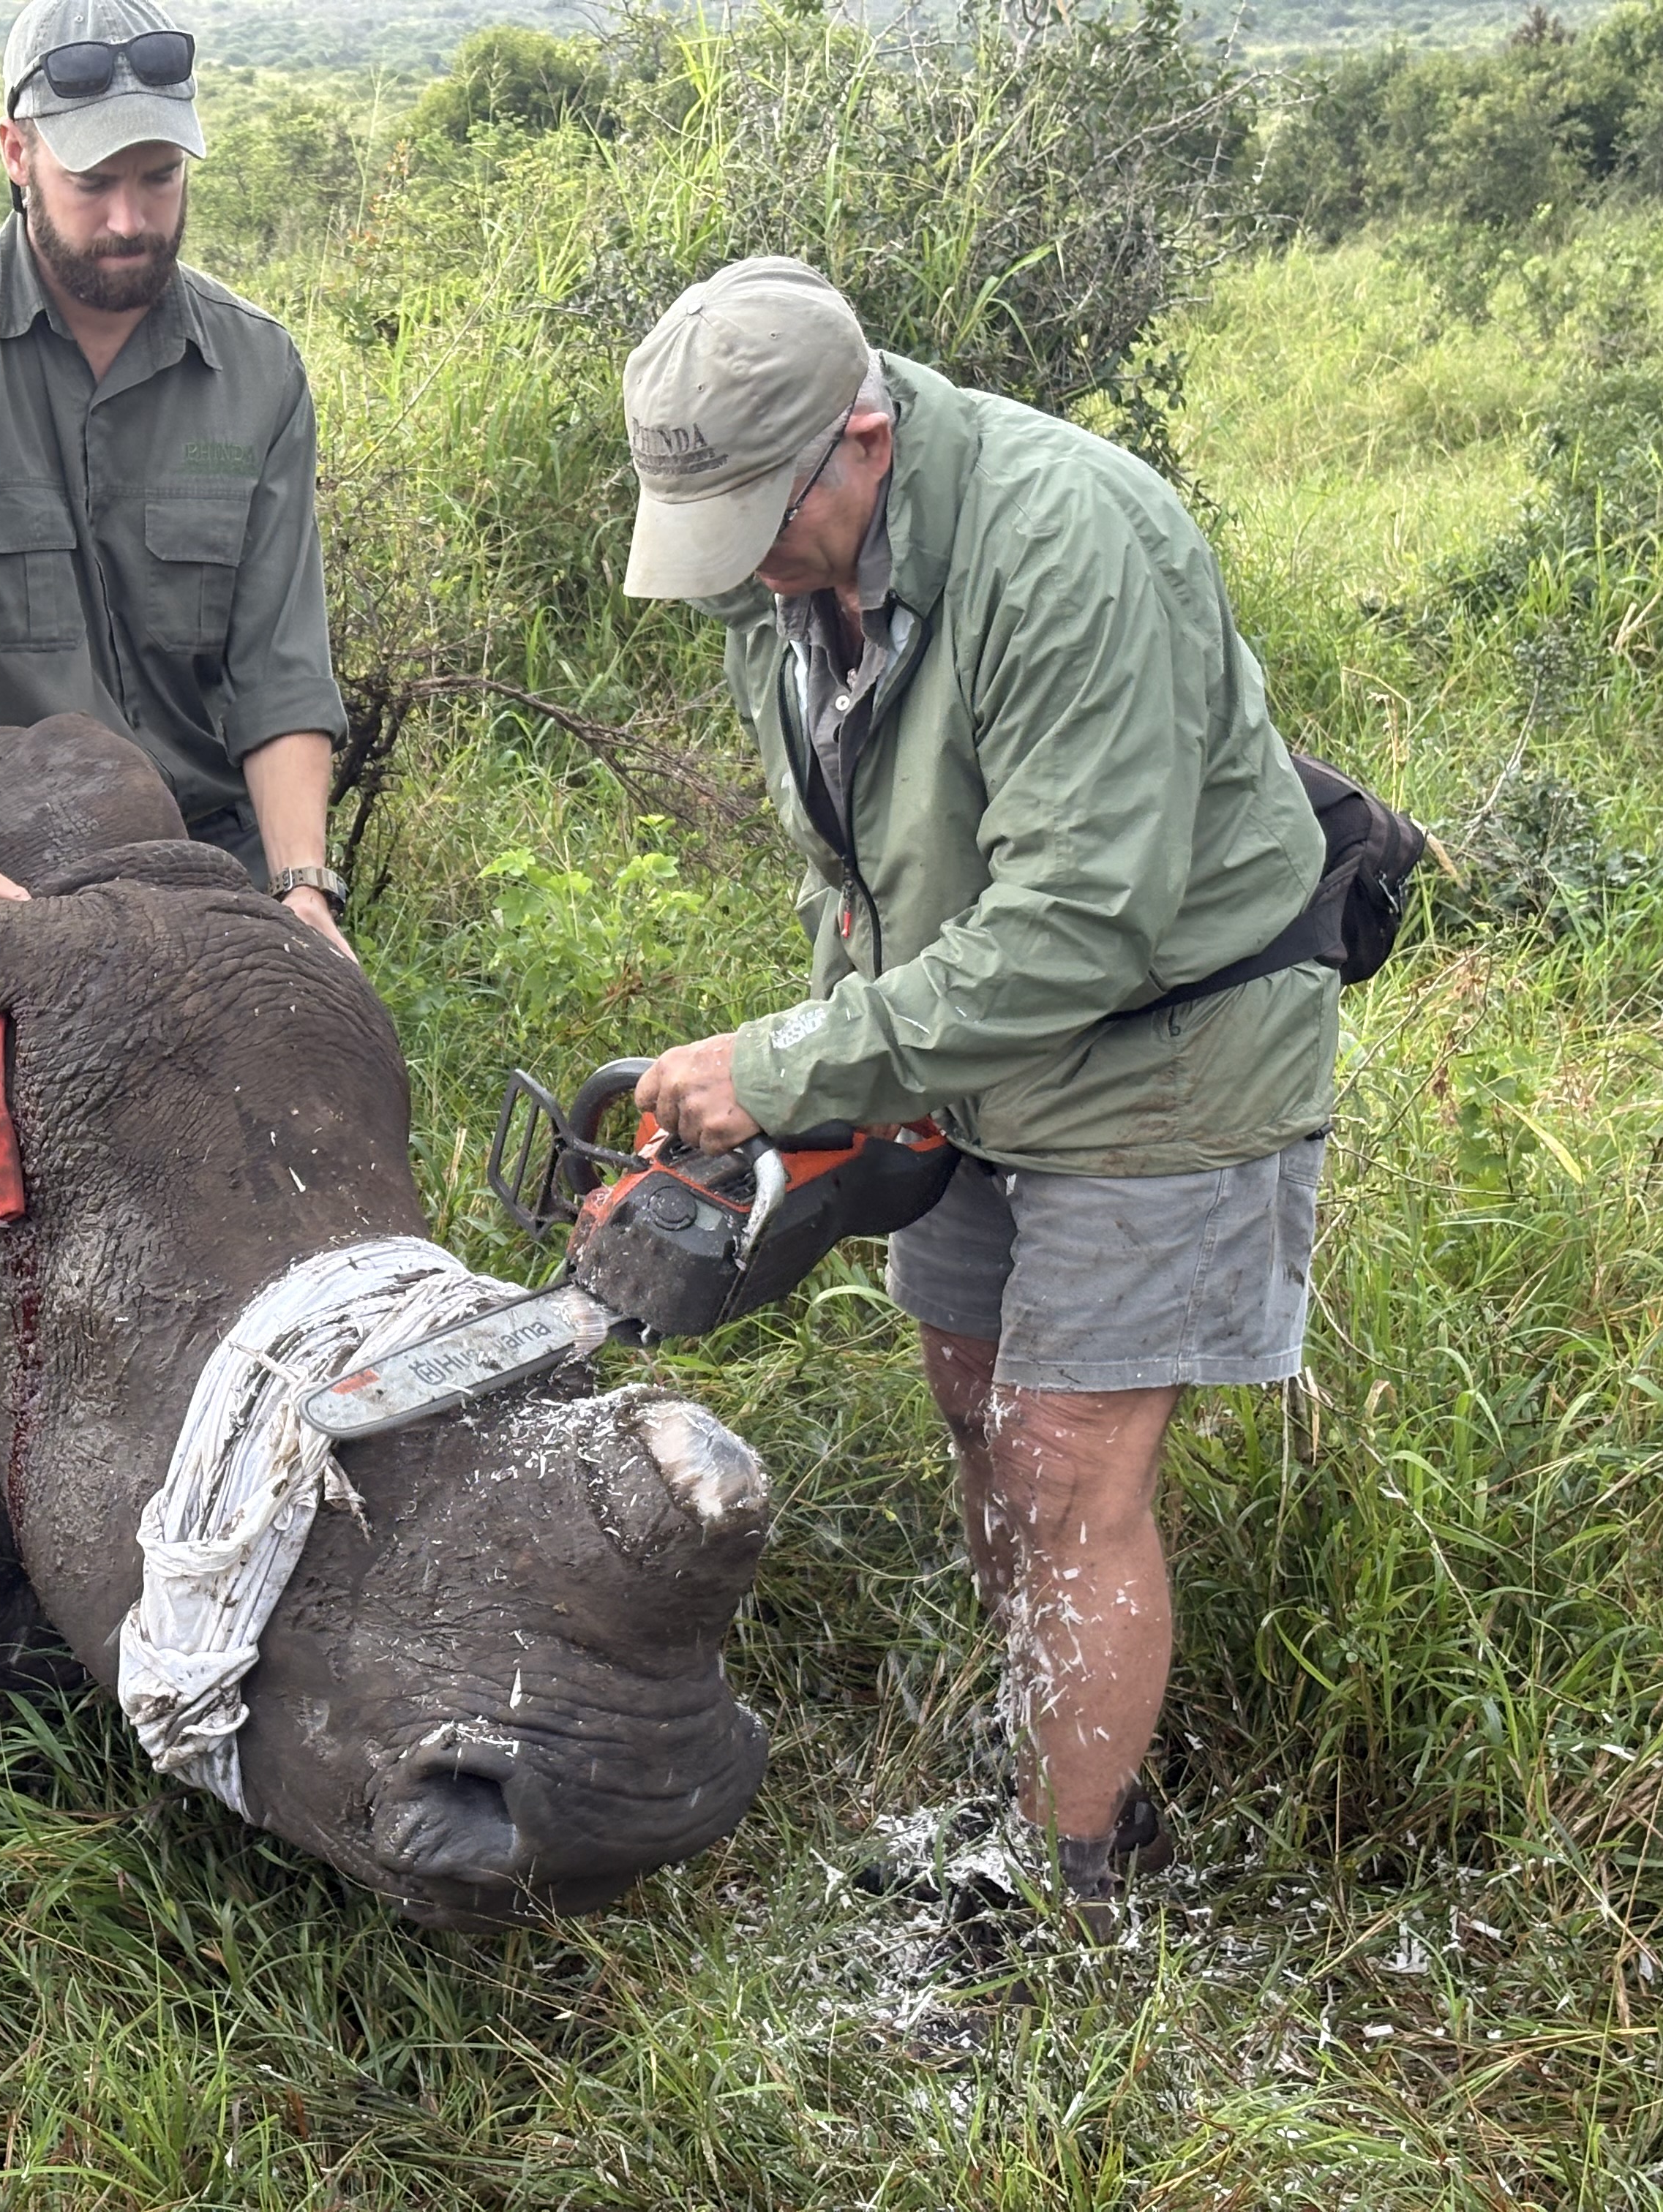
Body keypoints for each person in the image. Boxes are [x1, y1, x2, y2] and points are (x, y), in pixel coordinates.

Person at [618, 257, 1339, 1931]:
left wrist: (789, 1068)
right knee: (976, 1420)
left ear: (860, 435)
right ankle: (1059, 1781)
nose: (745, 566)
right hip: (962, 1050)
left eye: (758, 517)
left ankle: (1072, 1901)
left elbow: (1087, 924)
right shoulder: (799, 581)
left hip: (1167, 1049)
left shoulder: (1070, 538)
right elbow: (852, 868)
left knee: (1065, 1465)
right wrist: (827, 1088)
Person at [0, 0, 353, 990]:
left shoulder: (259, 366)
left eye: (160, 178)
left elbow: (279, 668)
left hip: (201, 854)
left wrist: (300, 888)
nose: (132, 220)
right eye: (93, 183)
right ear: (17, 154)